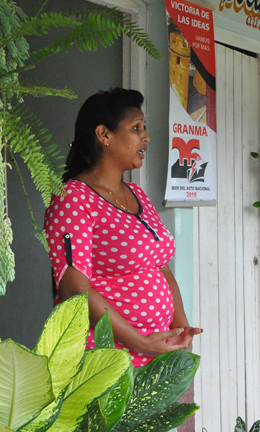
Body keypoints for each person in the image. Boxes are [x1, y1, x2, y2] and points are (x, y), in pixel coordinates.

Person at [44, 88, 201, 367]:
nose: (146, 136)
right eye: (136, 128)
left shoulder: (137, 194)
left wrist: (180, 329)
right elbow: (74, 289)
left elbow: (161, 268)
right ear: (104, 135)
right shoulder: (73, 197)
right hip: (105, 360)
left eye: (144, 127)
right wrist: (139, 341)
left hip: (154, 353)